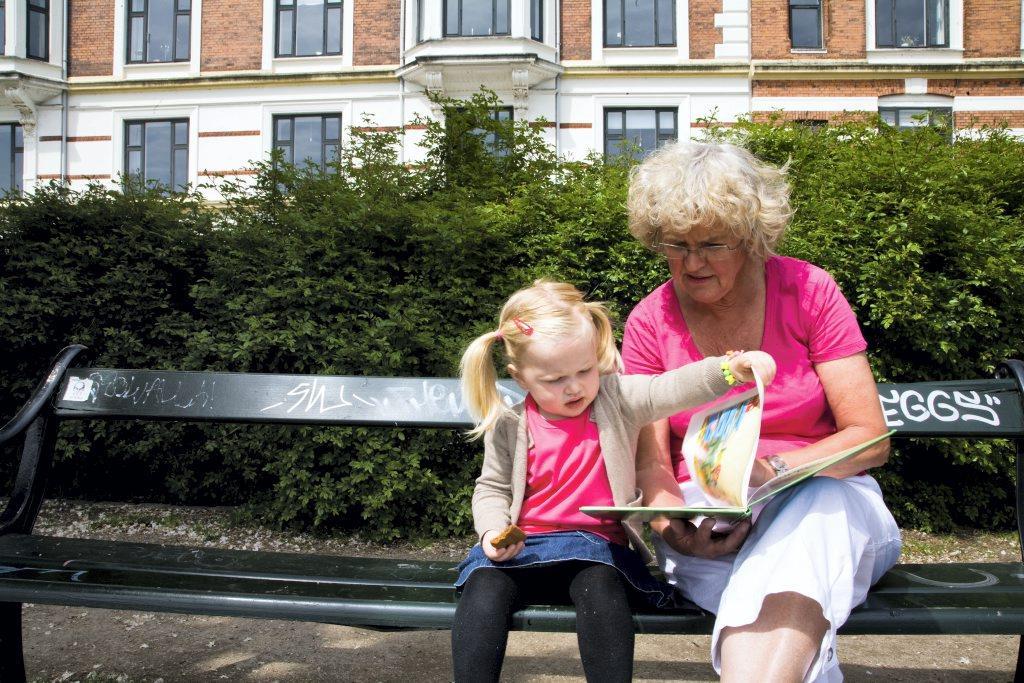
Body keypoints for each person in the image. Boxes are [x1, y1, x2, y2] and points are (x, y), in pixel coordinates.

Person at [621, 140, 902, 682]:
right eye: (676, 244)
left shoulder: (810, 291)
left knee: (815, 508)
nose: (691, 262)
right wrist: (670, 525)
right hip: (713, 523)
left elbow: (870, 438)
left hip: (833, 503)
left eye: (712, 244)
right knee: (797, 597)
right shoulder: (651, 321)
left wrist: (776, 472)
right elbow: (653, 462)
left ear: (752, 238)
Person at [450, 279, 776, 683]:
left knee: (602, 589)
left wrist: (728, 370)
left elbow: (667, 388)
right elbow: (492, 488)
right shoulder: (511, 422)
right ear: (521, 378)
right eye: (554, 380)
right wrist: (491, 532)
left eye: (585, 370)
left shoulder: (616, 398)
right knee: (483, 588)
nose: (574, 387)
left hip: (596, 549)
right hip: (523, 548)